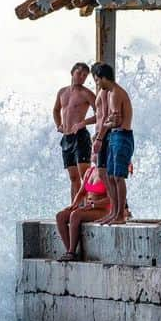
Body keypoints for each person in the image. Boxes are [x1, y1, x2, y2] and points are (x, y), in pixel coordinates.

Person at [91, 63, 134, 225]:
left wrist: (102, 133)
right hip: (116, 135)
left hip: (122, 135)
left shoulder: (115, 93)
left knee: (118, 176)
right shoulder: (110, 93)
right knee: (110, 175)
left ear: (103, 78)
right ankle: (115, 212)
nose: (97, 84)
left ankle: (120, 215)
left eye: (97, 80)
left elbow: (116, 120)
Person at [53, 62, 98, 201]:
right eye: (79, 74)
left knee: (85, 175)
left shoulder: (86, 93)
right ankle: (75, 205)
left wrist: (83, 123)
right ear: (72, 73)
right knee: (73, 177)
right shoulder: (62, 92)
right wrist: (58, 125)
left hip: (80, 137)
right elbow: (56, 110)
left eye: (85, 75)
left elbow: (101, 114)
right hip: (67, 138)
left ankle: (90, 204)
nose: (82, 77)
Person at [55, 165, 110, 261]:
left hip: (102, 210)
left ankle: (71, 252)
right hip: (89, 208)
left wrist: (93, 204)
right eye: (92, 150)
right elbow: (81, 193)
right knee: (60, 216)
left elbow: (111, 199)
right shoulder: (90, 171)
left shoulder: (108, 172)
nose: (93, 153)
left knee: (75, 215)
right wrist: (73, 205)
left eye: (97, 151)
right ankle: (70, 251)